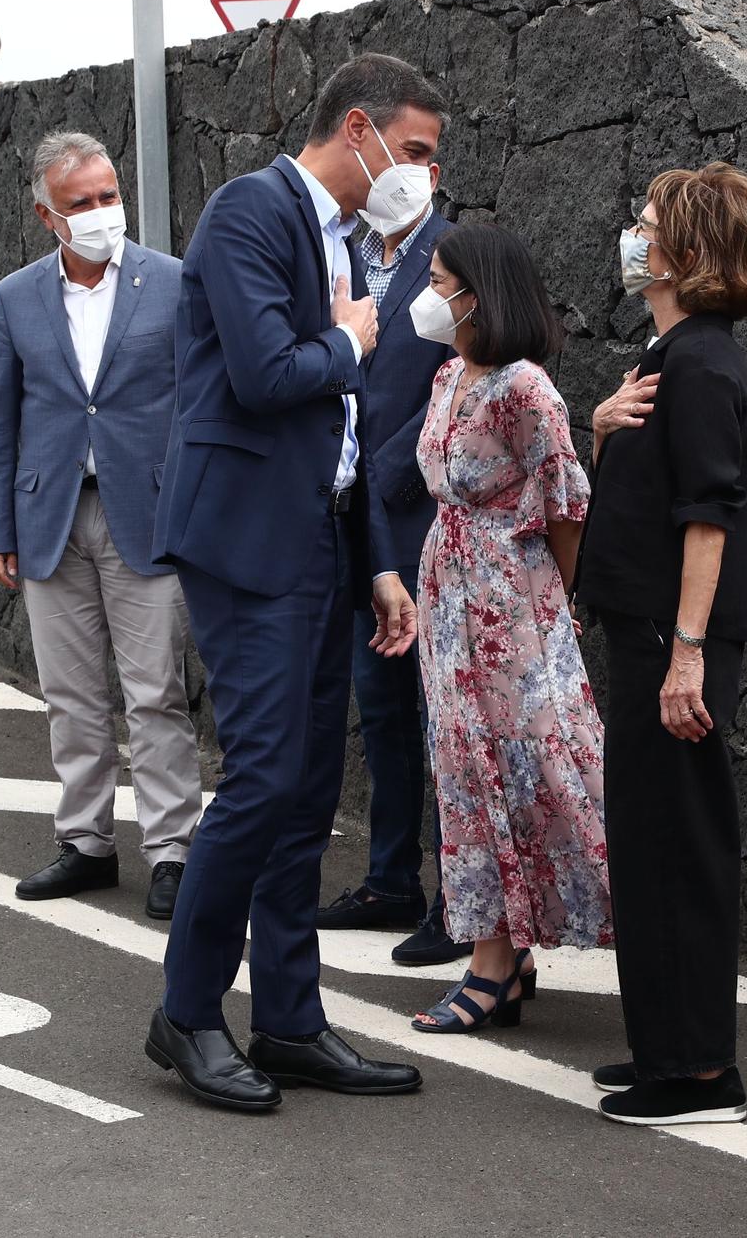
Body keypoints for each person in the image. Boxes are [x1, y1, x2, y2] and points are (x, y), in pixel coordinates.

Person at [144, 53, 444, 1111]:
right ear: (355, 129)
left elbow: (346, 428)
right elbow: (271, 374)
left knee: (311, 786)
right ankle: (185, 1012)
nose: (422, 176)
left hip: (321, 538)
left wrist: (376, 563)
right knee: (266, 775)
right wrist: (349, 336)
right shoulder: (248, 213)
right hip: (245, 539)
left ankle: (287, 1020)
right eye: (413, 152)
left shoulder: (343, 241)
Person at [575, 163, 747, 1126]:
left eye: (647, 222)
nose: (633, 234)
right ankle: (668, 1046)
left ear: (684, 253)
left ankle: (697, 1070)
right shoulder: (671, 356)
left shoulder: (698, 362)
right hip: (653, 634)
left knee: (677, 847)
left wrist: (686, 651)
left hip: (670, 640)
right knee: (652, 843)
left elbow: (709, 515)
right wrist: (604, 428)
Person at [0, 131, 205, 921]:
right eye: (83, 203)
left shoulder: (174, 284)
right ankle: (86, 843)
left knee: (154, 692)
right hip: (48, 516)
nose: (104, 213)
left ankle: (172, 851)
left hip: (147, 514)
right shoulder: (14, 297)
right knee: (70, 693)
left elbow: (197, 404)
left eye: (110, 196)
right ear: (47, 214)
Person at [405, 222, 610, 1034]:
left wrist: (553, 601)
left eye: (440, 278)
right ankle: (500, 950)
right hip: (448, 599)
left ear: (477, 292)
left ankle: (506, 953)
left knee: (533, 770)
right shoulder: (448, 376)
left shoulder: (528, 388)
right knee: (462, 774)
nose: (429, 293)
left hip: (510, 603)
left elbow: (567, 502)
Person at [313, 191, 471, 969]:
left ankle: (458, 898)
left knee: (440, 718)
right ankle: (389, 878)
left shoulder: (454, 255)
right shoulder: (339, 251)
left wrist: (379, 478)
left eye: (409, 159)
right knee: (380, 711)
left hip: (418, 517)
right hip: (355, 520)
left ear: (433, 171)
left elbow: (458, 370)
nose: (388, 180)